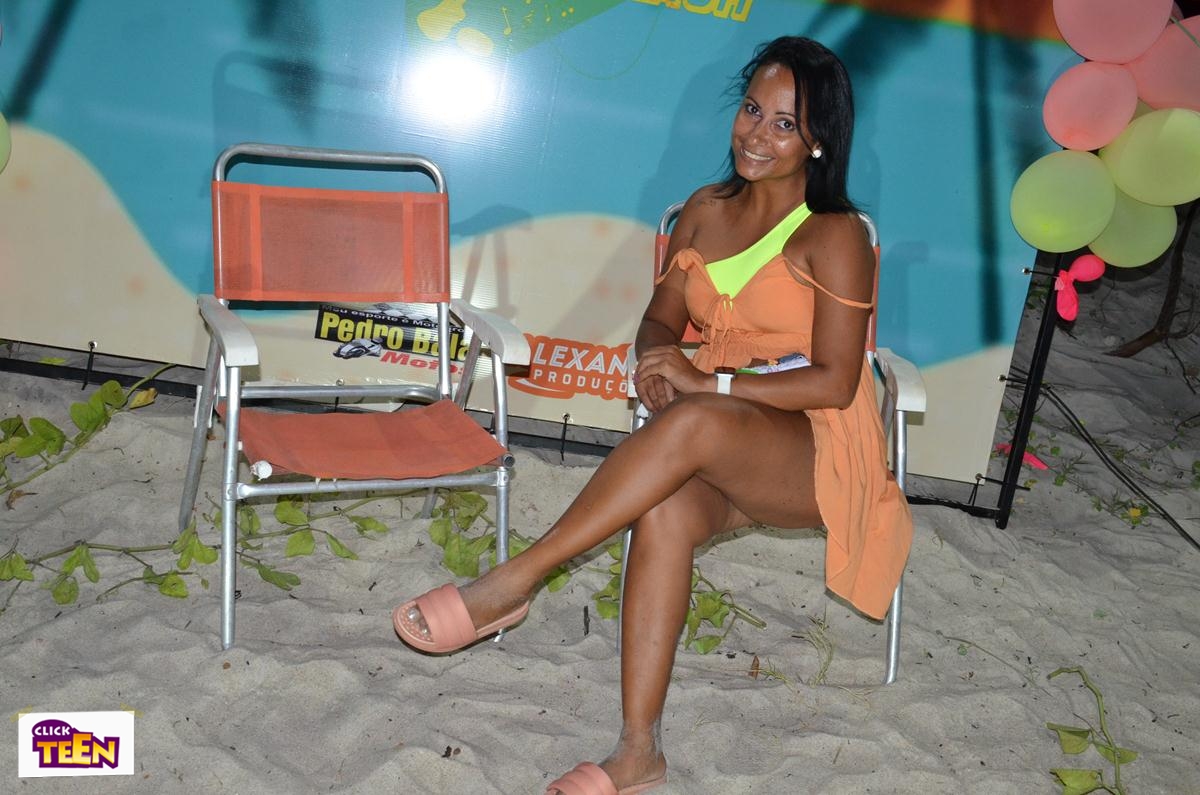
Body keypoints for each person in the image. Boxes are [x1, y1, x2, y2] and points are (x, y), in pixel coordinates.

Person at [393, 35, 913, 795]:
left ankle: (516, 581)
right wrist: (655, 364)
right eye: (751, 110)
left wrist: (706, 382)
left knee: (699, 419)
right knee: (663, 509)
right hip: (724, 431)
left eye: (784, 124)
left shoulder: (834, 235)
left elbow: (836, 383)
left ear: (819, 141)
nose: (757, 134)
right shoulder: (703, 210)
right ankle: (639, 751)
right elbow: (661, 318)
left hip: (817, 449)